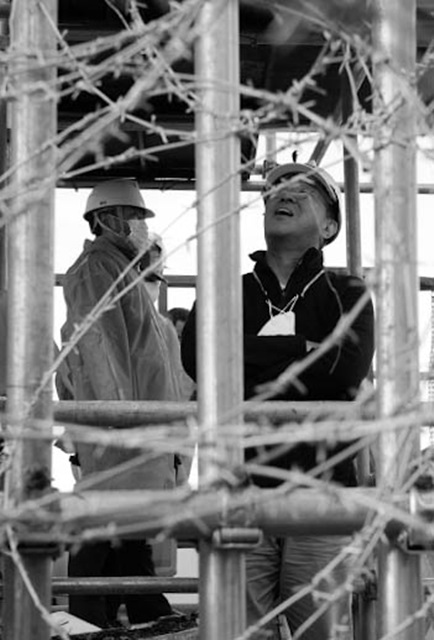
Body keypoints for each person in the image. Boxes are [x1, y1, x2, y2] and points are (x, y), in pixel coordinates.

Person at [181, 161, 375, 639]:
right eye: (276, 190)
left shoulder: (347, 292)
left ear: (329, 228)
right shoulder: (228, 291)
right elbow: (201, 359)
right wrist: (302, 348)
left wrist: (244, 359)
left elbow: (345, 371)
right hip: (239, 489)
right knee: (238, 632)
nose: (284, 194)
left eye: (304, 191)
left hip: (321, 494)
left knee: (321, 632)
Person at [59, 178, 184, 629]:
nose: (140, 226)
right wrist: (119, 417)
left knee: (125, 530)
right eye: (133, 217)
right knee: (102, 527)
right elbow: (101, 347)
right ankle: (89, 619)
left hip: (138, 427)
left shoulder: (120, 269)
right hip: (123, 428)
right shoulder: (98, 268)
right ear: (106, 219)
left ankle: (139, 612)